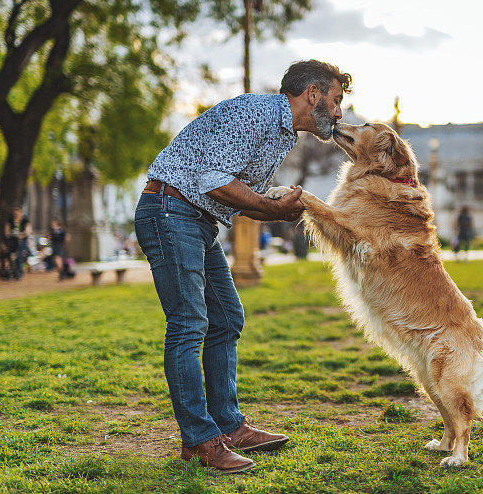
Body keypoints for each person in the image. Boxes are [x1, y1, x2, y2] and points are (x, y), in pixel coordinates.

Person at [134, 60, 351, 474]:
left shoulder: (280, 132)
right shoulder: (255, 113)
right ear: (313, 95)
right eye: (336, 100)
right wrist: (271, 207)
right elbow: (212, 181)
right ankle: (199, 441)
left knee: (227, 317)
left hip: (195, 217)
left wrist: (278, 205)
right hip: (170, 210)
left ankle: (229, 426)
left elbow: (235, 189)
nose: (339, 112)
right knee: (188, 324)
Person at [4, 207, 31, 279]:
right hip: (13, 240)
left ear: (21, 212)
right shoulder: (11, 219)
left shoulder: (25, 219)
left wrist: (23, 234)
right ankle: (13, 272)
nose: (16, 215)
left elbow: (28, 230)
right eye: (15, 213)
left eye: (17, 213)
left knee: (19, 256)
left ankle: (19, 273)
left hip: (22, 240)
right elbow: (7, 230)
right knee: (11, 256)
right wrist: (9, 235)